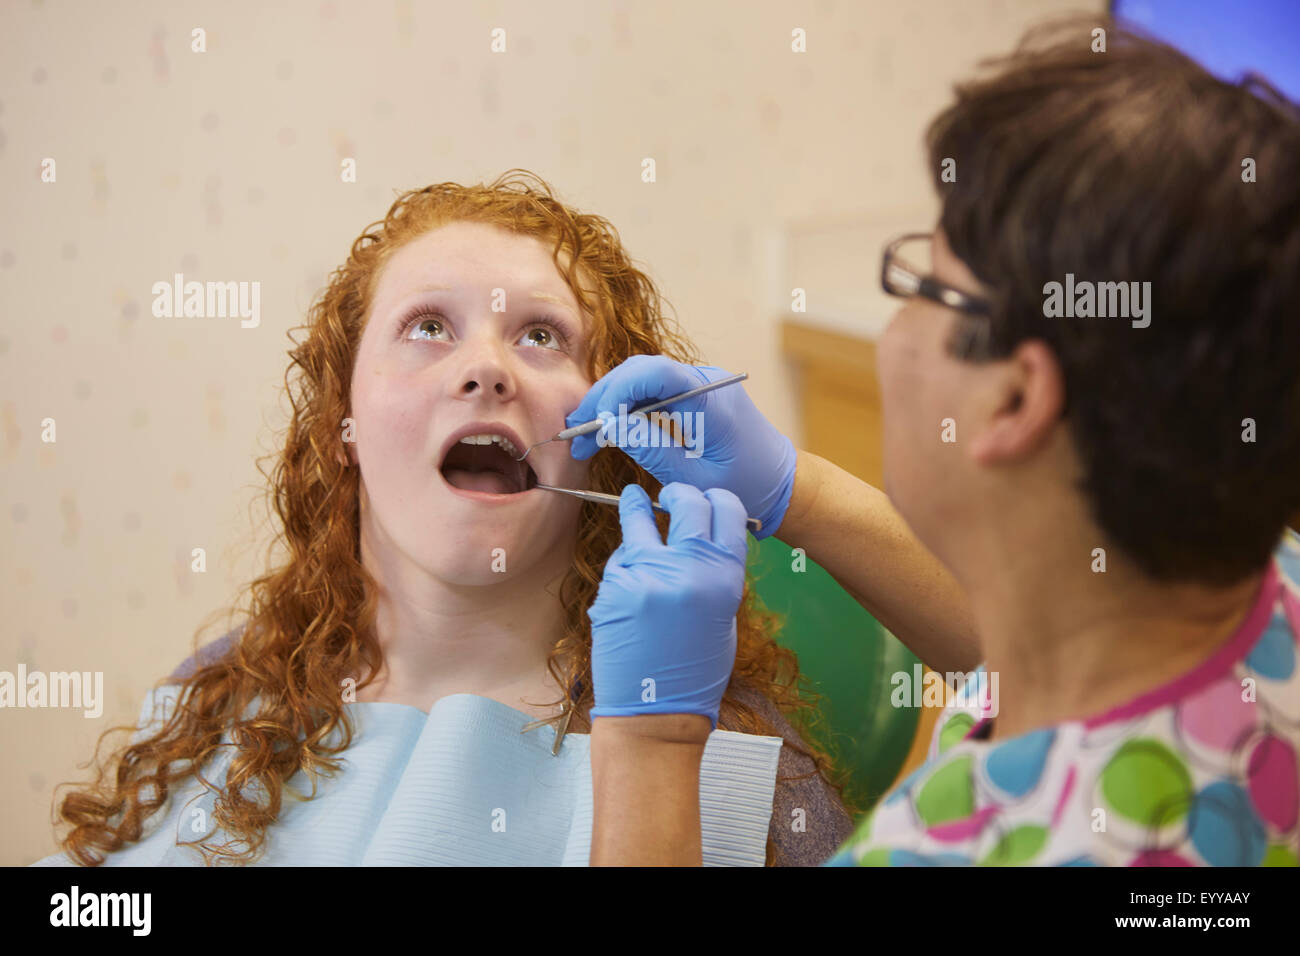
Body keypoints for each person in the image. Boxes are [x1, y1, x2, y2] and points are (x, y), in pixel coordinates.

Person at [34, 169, 980, 867]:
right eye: (428, 327)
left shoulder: (731, 770)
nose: (486, 369)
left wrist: (794, 491)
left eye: (541, 335)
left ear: (605, 438)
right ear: (342, 428)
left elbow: (1053, 672)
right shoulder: (222, 693)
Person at [577, 16, 1300, 866]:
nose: (897, 324)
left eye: (927, 283)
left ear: (1016, 397)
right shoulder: (1267, 587)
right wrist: (794, 491)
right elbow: (1040, 649)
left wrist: (650, 748)